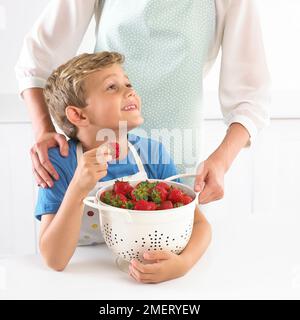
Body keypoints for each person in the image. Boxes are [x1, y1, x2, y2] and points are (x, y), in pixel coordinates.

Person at [15, 0, 270, 204]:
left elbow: (250, 96)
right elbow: (37, 59)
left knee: (164, 247)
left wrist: (220, 162)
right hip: (96, 159)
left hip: (176, 153)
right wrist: (44, 131)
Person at [35, 51, 212, 283]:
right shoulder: (60, 162)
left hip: (137, 267)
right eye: (112, 87)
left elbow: (199, 224)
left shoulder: (153, 154)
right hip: (83, 274)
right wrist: (78, 186)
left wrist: (183, 264)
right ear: (78, 115)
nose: (130, 91)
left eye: (128, 83)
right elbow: (54, 260)